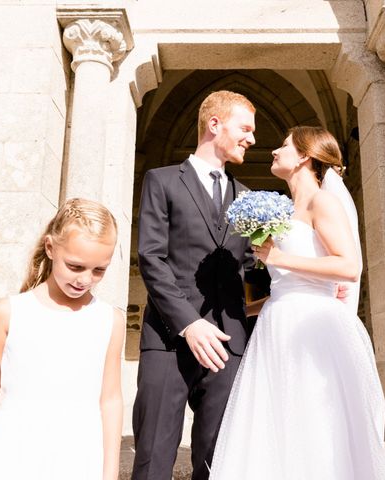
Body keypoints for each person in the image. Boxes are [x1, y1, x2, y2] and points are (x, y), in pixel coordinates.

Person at [209, 126, 385, 479]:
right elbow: (288, 285)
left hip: (313, 328)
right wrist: (244, 310)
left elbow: (348, 266)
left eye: (284, 145)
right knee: (276, 422)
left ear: (305, 156)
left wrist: (278, 258)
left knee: (313, 420)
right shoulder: (288, 208)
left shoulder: (323, 202)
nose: (275, 150)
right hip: (277, 323)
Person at [0, 198, 126, 479]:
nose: (85, 279)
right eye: (75, 267)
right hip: (16, 452)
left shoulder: (110, 320)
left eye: (99, 270)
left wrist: (109, 474)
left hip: (78, 457)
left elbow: (110, 400)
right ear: (50, 248)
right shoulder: (10, 312)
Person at [132, 90, 257, 480]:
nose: (252, 139)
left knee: (218, 459)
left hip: (228, 344)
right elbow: (151, 258)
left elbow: (252, 272)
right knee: (153, 454)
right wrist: (189, 322)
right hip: (168, 338)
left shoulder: (248, 198)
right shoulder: (163, 181)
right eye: (246, 128)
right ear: (214, 124)